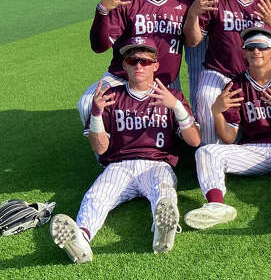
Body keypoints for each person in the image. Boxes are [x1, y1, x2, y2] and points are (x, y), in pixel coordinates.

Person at [50, 37, 200, 264]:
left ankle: (163, 231)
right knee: (97, 195)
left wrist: (176, 107)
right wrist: (97, 114)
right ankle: (81, 240)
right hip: (119, 164)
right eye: (132, 60)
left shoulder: (172, 96)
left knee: (164, 192)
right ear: (124, 65)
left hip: (157, 162)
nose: (139, 65)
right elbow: (100, 148)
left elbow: (195, 141)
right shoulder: (110, 98)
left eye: (145, 61)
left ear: (155, 66)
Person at [183, 27, 271, 230]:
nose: (256, 51)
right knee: (206, 151)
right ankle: (216, 204)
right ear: (244, 53)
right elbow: (229, 138)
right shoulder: (236, 85)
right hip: (250, 151)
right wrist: (217, 112)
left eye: (262, 47)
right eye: (251, 47)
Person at [77, 0, 190, 124]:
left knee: (177, 128)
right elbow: (99, 47)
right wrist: (102, 11)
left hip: (162, 82)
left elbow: (194, 40)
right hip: (121, 78)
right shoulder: (126, 1)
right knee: (88, 103)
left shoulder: (184, 6)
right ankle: (106, 152)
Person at [183, 0, 271, 145]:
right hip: (219, 71)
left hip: (253, 76)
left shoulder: (266, 5)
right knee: (206, 94)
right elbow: (193, 41)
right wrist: (193, 14)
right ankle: (210, 150)